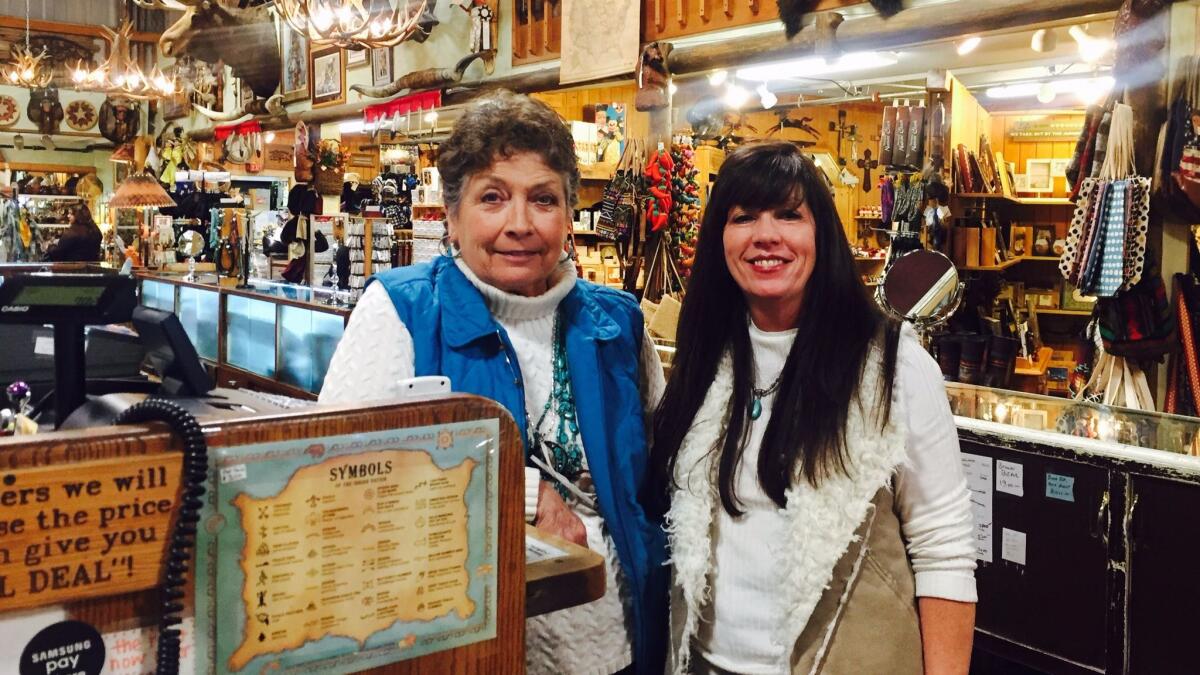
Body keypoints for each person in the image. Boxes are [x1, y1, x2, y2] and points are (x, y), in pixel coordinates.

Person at [320, 90, 668, 675]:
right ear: (452, 218)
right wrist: (522, 492)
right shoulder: (403, 312)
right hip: (469, 646)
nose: (520, 224)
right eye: (492, 198)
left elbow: (662, 474)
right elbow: (339, 475)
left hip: (618, 642)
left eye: (543, 199)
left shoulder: (618, 322)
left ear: (568, 213)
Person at [645, 142, 976, 675]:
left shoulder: (892, 368)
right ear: (719, 240)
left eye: (788, 215)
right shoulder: (707, 362)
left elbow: (944, 548)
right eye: (744, 217)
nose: (766, 235)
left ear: (821, 234)